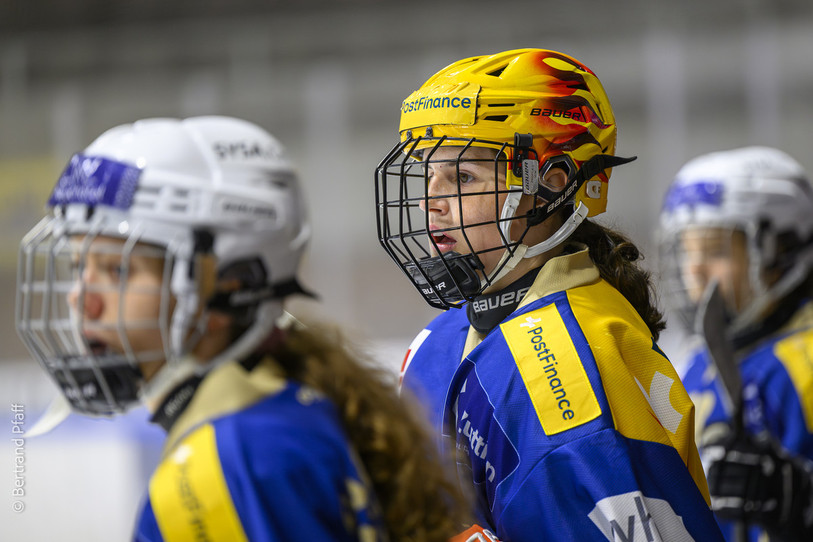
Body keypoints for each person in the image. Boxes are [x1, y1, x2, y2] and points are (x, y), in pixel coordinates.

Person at [16, 115, 468, 541]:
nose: (81, 298)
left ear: (229, 282)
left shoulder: (235, 461)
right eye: (80, 266)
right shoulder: (280, 411)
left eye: (116, 271)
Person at [374, 48, 723, 540]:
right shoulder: (442, 335)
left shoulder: (573, 365)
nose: (432, 201)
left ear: (550, 188)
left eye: (463, 177)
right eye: (428, 174)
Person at [658, 146, 813, 541]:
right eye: (689, 250)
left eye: (715, 251)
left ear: (779, 249)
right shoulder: (694, 357)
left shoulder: (804, 362)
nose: (694, 269)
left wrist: (799, 501)